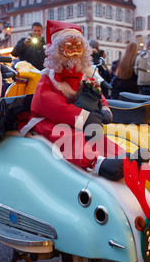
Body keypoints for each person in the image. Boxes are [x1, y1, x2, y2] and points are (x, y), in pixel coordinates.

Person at [17, 20, 126, 181]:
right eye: (68, 47)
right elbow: (47, 104)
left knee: (97, 137)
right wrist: (84, 117)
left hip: (76, 120)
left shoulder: (81, 76)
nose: (74, 51)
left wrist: (104, 108)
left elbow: (95, 92)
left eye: (78, 47)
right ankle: (95, 163)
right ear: (57, 50)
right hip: (48, 120)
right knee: (68, 135)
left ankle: (122, 158)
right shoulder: (49, 78)